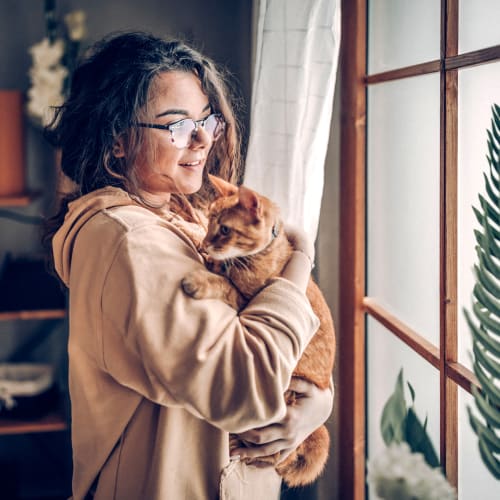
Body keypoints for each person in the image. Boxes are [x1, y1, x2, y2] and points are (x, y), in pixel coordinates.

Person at [44, 31, 333, 500]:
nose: (202, 139)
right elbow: (246, 388)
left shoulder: (188, 213)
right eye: (177, 125)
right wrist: (301, 261)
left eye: (207, 120)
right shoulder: (129, 239)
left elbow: (280, 341)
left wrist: (316, 403)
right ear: (117, 141)